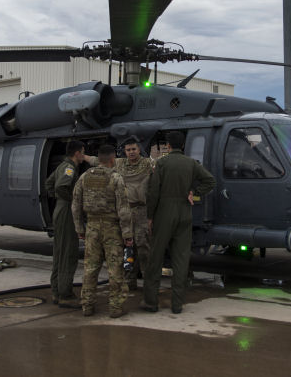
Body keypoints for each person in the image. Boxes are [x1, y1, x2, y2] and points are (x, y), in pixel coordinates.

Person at [141, 131, 216, 314]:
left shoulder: (161, 163)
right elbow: (210, 181)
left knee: (156, 257)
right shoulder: (191, 163)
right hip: (184, 211)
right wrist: (194, 192)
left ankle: (151, 302)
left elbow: (153, 192)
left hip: (164, 212)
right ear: (183, 145)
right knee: (181, 259)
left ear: (167, 145)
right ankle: (177, 304)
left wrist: (150, 216)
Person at [71, 144, 132, 317]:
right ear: (112, 159)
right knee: (115, 269)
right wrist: (127, 234)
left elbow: (75, 205)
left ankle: (87, 306)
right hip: (111, 228)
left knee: (90, 268)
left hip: (92, 228)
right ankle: (115, 307)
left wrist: (79, 228)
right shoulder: (116, 178)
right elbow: (124, 209)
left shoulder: (84, 177)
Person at [45, 140, 90, 308]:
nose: (83, 156)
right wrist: (73, 201)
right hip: (66, 213)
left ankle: (57, 291)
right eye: (83, 152)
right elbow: (60, 186)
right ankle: (65, 294)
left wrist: (60, 200)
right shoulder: (69, 168)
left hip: (60, 209)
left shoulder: (62, 166)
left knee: (59, 251)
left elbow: (49, 185)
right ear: (77, 153)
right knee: (68, 252)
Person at [114, 137, 155, 291]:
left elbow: (161, 173)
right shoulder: (119, 164)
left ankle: (148, 281)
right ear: (125, 152)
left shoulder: (147, 164)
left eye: (134, 149)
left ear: (139, 150)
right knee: (127, 246)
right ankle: (129, 280)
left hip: (142, 211)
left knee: (144, 246)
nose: (131, 152)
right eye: (128, 150)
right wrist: (83, 157)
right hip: (126, 211)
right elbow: (100, 161)